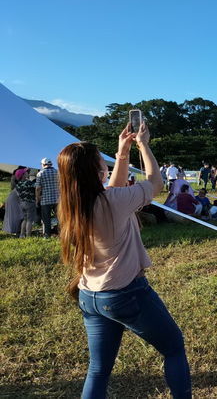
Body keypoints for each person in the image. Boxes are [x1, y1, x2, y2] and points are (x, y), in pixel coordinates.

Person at [57, 123, 191, 398]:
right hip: (126, 293)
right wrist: (144, 145)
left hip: (90, 295)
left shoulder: (71, 204)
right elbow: (156, 183)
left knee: (98, 369)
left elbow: (111, 190)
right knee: (174, 347)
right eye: (101, 164)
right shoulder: (112, 201)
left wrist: (122, 153)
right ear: (96, 171)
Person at [36, 157, 59, 238]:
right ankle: (62, 233)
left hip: (45, 200)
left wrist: (37, 199)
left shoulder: (40, 174)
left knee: (46, 219)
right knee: (59, 217)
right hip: (57, 199)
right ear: (51, 164)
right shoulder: (57, 172)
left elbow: (38, 188)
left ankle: (47, 235)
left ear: (43, 164)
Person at [2, 166, 25, 235]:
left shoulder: (16, 176)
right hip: (14, 198)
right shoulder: (18, 178)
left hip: (15, 197)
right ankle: (14, 230)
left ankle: (16, 230)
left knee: (18, 214)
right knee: (16, 214)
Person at [15, 168, 37, 237]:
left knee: (25, 219)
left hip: (22, 203)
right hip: (30, 203)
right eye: (26, 172)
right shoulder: (28, 182)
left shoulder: (18, 184)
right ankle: (28, 235)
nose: (27, 172)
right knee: (30, 220)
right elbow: (37, 185)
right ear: (23, 175)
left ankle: (22, 234)